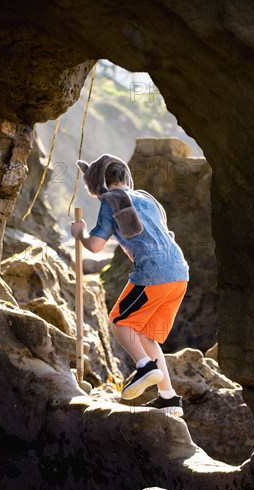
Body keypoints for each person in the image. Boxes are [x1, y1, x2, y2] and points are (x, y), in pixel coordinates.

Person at [71, 154, 189, 416]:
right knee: (145, 334)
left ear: (99, 184)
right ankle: (168, 397)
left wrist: (80, 233)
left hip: (153, 273)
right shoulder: (146, 198)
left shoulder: (111, 201)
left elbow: (95, 246)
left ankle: (145, 367)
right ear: (126, 176)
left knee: (119, 321)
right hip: (180, 271)